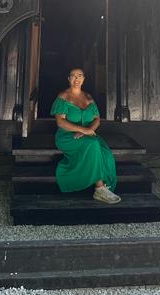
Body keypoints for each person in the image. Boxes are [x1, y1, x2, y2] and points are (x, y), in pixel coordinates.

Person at [50, 68, 121, 204]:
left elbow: (97, 120)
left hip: (88, 134)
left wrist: (86, 131)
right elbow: (60, 122)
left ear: (84, 79)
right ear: (68, 79)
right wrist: (83, 130)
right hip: (68, 136)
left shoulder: (88, 97)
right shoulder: (63, 97)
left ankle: (106, 185)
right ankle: (99, 190)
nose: (77, 79)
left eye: (80, 76)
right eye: (73, 76)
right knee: (92, 145)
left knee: (105, 153)